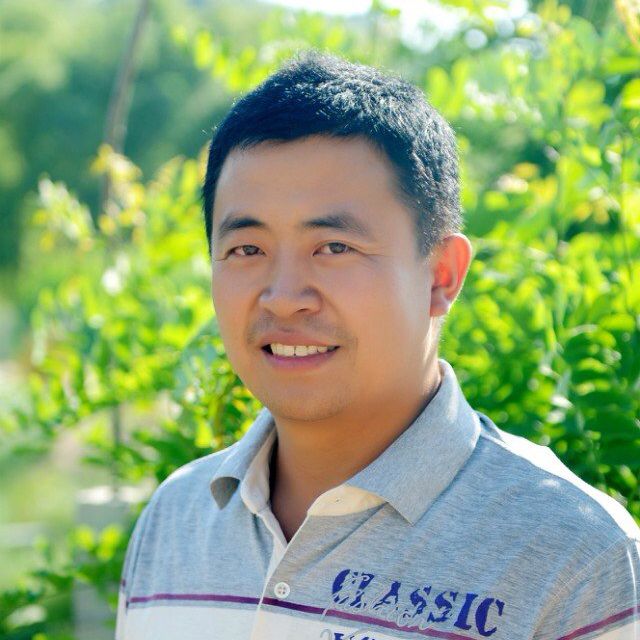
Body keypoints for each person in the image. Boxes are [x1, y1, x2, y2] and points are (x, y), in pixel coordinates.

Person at [115, 53, 639, 640]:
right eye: (247, 250)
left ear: (442, 274)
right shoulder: (174, 520)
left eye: (334, 247)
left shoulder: (575, 558)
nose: (284, 299)